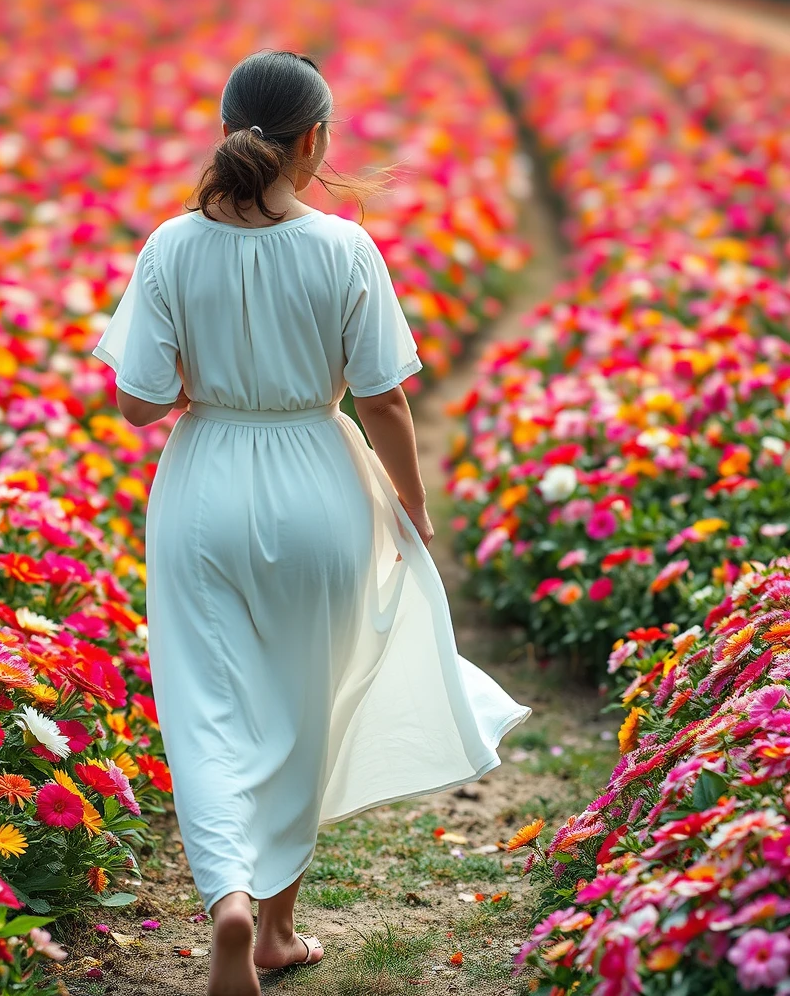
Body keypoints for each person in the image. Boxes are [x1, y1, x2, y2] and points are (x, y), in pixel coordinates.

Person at [92, 50, 531, 996]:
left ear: (225, 134)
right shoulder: (343, 248)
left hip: (204, 480)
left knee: (206, 708)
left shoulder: (170, 246)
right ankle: (277, 930)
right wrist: (409, 507)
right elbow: (385, 400)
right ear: (314, 142)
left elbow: (136, 403)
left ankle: (230, 903)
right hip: (318, 482)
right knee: (299, 708)